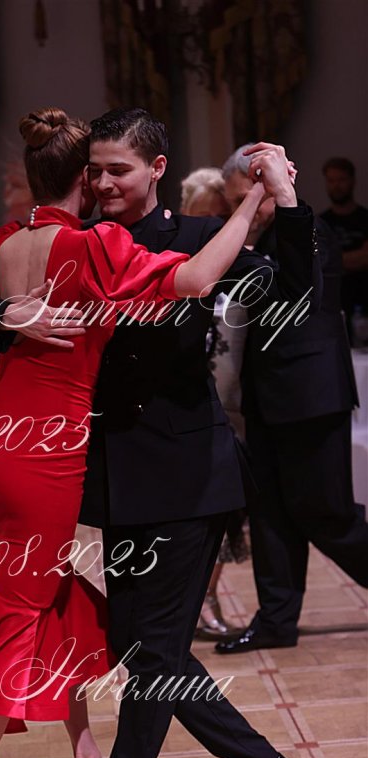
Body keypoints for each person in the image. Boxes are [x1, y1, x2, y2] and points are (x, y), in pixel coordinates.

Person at [0, 108, 318, 758]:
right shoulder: (76, 240)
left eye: (118, 169)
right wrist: (1, 313)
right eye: (95, 170)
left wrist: (280, 202)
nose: (104, 181)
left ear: (156, 168)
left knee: (151, 653)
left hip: (188, 476)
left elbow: (290, 285)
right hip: (114, 478)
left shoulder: (195, 235)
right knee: (133, 642)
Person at [216, 146, 368, 655]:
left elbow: (298, 299)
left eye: (247, 197)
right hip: (265, 399)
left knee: (327, 514)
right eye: (234, 200)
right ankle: (276, 622)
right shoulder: (251, 239)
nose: (242, 208)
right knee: (271, 517)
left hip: (312, 396)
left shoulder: (308, 229)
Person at [179, 167, 249, 639]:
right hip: (185, 411)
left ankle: (207, 597)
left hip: (233, 414)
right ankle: (189, 603)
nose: (211, 226)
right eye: (201, 216)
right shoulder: (170, 266)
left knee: (227, 512)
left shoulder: (242, 266)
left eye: (219, 217)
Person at [320, 157, 368, 343]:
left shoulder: (365, 219)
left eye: (341, 180)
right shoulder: (320, 223)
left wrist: (331, 260)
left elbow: (365, 258)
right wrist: (352, 258)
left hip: (363, 302)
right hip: (332, 304)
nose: (336, 186)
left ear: (352, 181)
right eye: (331, 180)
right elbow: (316, 262)